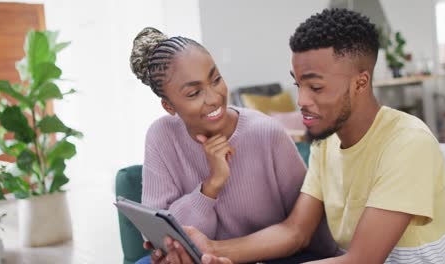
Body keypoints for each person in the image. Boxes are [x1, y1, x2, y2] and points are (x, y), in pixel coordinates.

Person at [158, 8, 445, 264]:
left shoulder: (408, 143)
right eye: (298, 85)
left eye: (315, 87)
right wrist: (210, 248)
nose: (302, 100)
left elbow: (361, 260)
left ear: (360, 83)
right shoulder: (327, 141)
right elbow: (295, 232)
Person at [129, 28, 338, 264]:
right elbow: (159, 232)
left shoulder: (266, 133)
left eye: (216, 79)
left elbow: (306, 231)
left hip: (273, 256)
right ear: (169, 107)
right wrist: (210, 188)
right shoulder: (162, 135)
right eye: (194, 92)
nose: (214, 97)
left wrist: (213, 252)